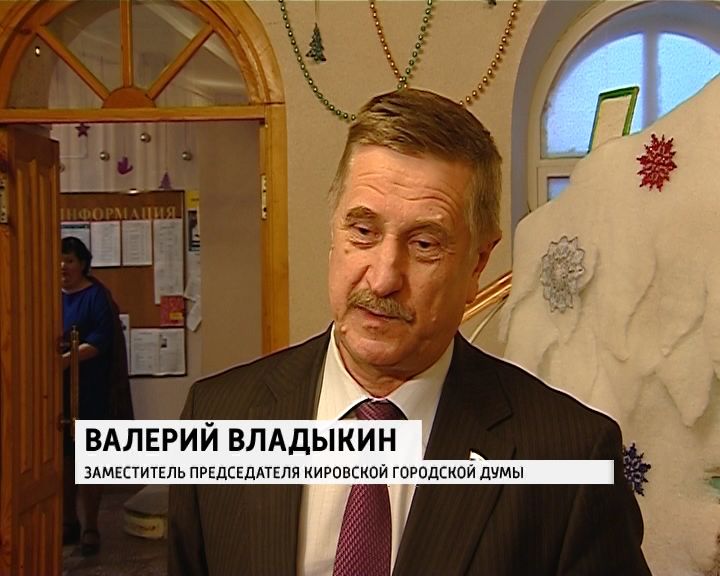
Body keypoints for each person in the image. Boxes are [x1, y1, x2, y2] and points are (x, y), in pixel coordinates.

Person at [168, 89, 650, 575]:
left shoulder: (571, 461)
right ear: (334, 232)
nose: (383, 279)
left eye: (424, 244)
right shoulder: (214, 418)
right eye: (363, 232)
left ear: (478, 263)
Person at [61, 236, 115, 556]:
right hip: (56, 391)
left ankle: (91, 526)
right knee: (63, 458)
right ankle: (68, 521)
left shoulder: (96, 296)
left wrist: (69, 359)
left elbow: (102, 338)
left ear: (82, 263)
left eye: (69, 260)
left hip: (90, 388)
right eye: (59, 260)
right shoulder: (48, 295)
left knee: (90, 457)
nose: (63, 266)